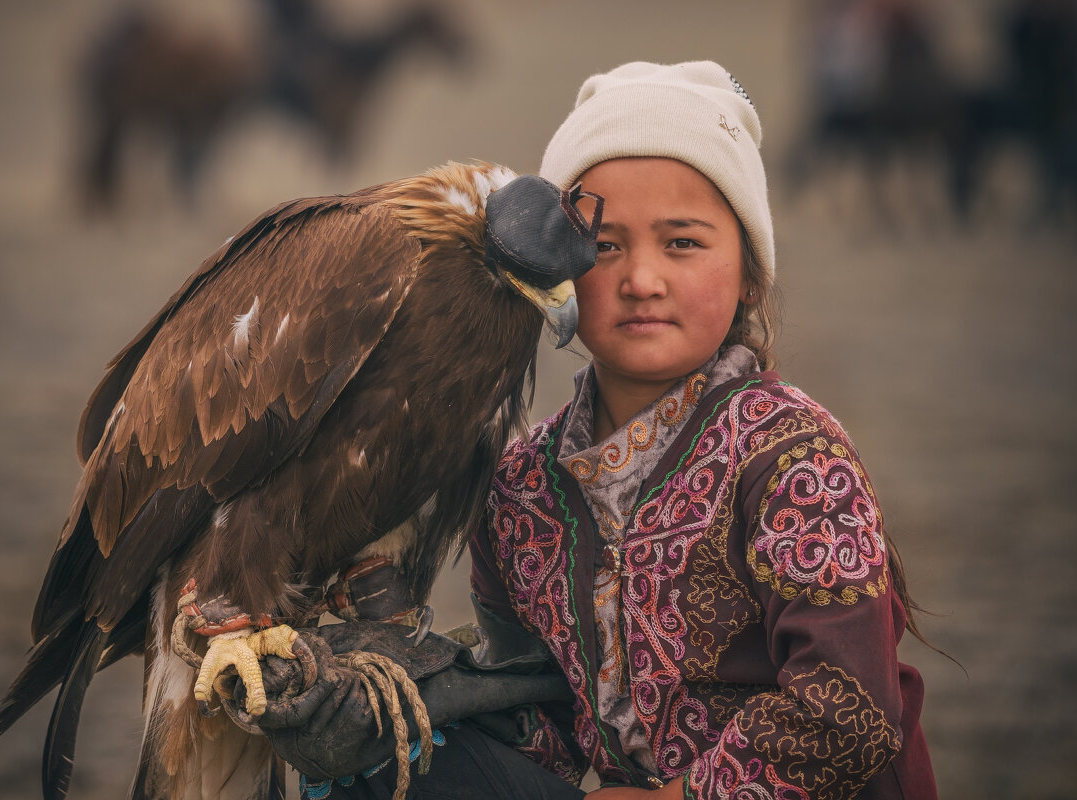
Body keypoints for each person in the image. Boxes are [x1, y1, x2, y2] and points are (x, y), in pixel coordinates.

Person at [274, 60, 938, 799]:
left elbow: (848, 716)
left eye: (682, 243)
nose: (641, 279)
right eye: (605, 246)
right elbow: (547, 726)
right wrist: (396, 697)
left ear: (749, 272)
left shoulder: (792, 456)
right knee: (355, 772)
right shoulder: (523, 484)